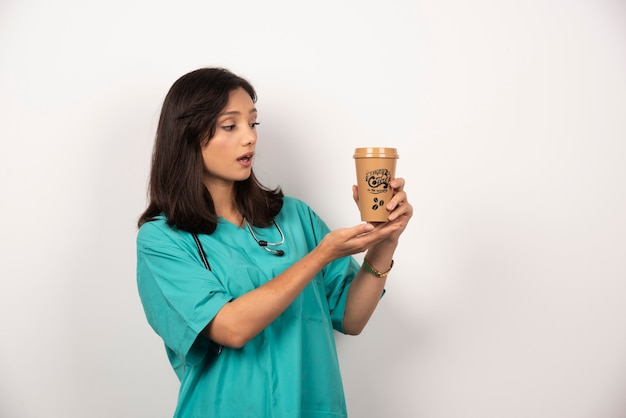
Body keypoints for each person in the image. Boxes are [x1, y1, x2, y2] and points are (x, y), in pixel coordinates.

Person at [136, 67, 413, 418]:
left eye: (253, 123)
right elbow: (231, 328)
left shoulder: (296, 217)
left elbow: (352, 318)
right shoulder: (162, 240)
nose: (249, 138)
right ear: (188, 135)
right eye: (230, 125)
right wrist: (319, 256)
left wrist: (387, 240)